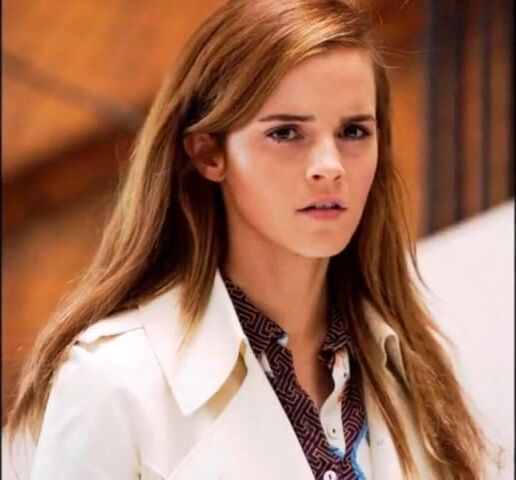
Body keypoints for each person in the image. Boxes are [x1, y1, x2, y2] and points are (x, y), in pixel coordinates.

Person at [4, 0, 499, 478]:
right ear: (208, 155)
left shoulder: (416, 372)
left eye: (353, 131)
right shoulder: (112, 381)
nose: (329, 167)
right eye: (286, 133)